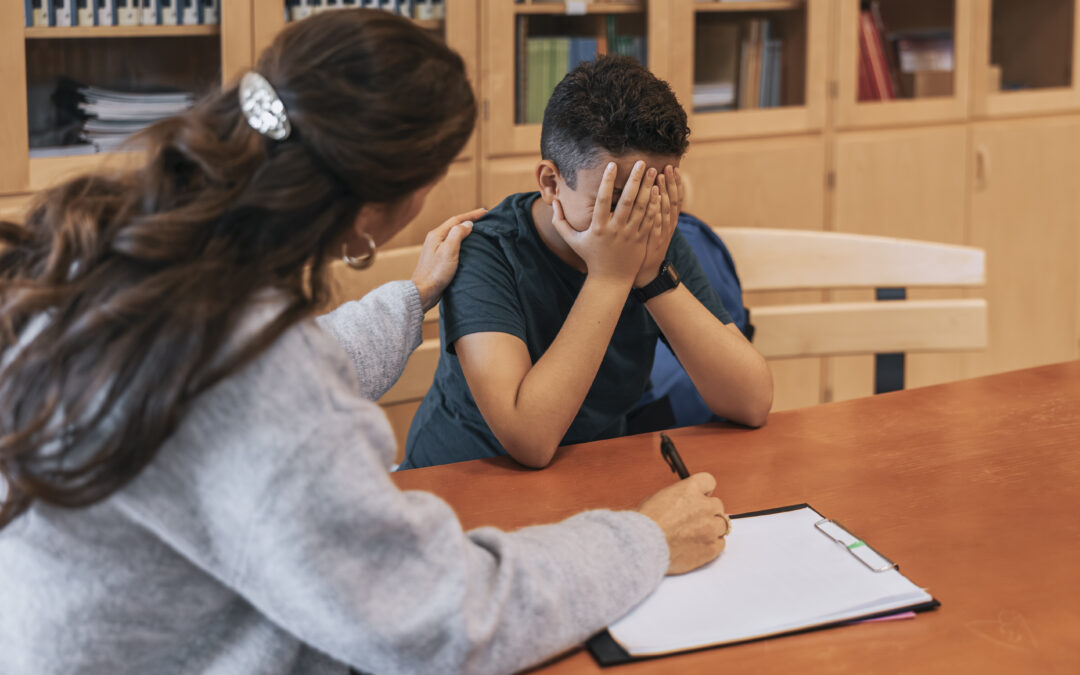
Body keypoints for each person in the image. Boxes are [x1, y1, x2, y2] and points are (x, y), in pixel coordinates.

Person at [0, 11, 732, 675]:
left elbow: (294, 366)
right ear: (375, 212)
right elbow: (438, 619)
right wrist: (642, 540)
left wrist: (411, 299)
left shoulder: (132, 247)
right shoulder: (250, 365)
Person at [402, 57, 773, 470]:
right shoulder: (487, 252)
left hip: (590, 472)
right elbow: (529, 439)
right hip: (463, 478)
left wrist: (651, 278)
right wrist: (611, 277)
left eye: (655, 197)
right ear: (551, 183)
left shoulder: (652, 239)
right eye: (616, 203)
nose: (635, 220)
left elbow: (751, 403)